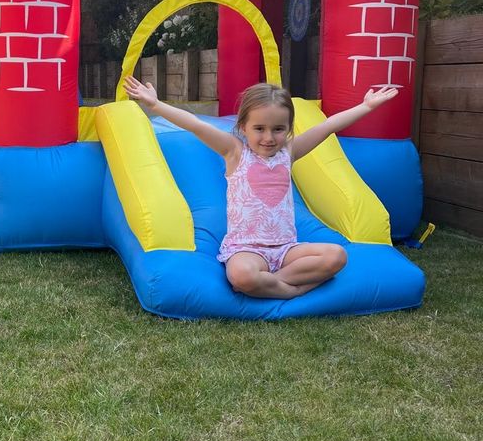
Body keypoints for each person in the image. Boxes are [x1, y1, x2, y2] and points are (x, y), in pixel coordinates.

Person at [122, 77, 398, 299]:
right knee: (241, 275)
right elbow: (195, 125)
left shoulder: (288, 153)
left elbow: (327, 127)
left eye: (278, 129)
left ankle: (275, 286)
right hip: (246, 250)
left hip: (287, 250)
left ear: (289, 129)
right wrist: (155, 105)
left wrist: (367, 106)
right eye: (259, 128)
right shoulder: (235, 152)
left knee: (337, 256)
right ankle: (294, 289)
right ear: (243, 127)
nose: (269, 137)